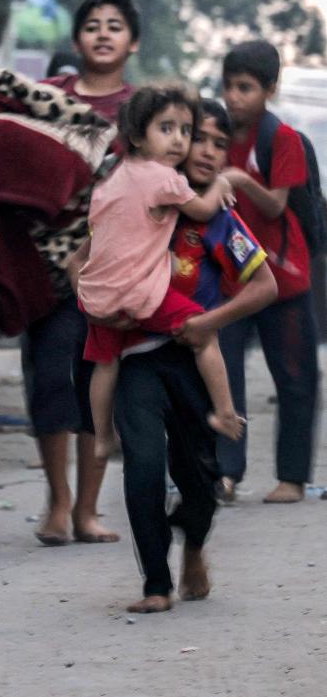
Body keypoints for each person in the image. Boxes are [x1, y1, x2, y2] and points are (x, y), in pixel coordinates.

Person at [101, 99, 277, 612]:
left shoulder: (219, 219)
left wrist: (207, 323)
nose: (205, 150)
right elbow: (83, 260)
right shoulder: (140, 197)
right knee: (144, 464)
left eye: (220, 143)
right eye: (197, 137)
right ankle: (156, 584)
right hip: (138, 357)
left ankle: (194, 544)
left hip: (195, 360)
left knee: (200, 481)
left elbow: (263, 287)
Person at [20, 0, 141, 547]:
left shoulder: (143, 110)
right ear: (75, 40)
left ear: (132, 42)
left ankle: (89, 510)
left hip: (114, 272)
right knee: (48, 381)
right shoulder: (45, 98)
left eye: (114, 26)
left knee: (99, 388)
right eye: (92, 25)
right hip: (45, 268)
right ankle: (58, 503)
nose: (102, 34)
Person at [78, 85, 243, 458]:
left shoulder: (112, 180)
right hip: (139, 296)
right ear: (137, 135)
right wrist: (221, 182)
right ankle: (224, 412)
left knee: (105, 365)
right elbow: (202, 210)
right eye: (166, 129)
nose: (179, 141)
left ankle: (102, 438)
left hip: (98, 296)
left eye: (185, 131)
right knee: (204, 334)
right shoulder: (164, 178)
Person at [216, 41, 321, 504]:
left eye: (246, 88)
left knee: (296, 378)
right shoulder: (213, 137)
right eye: (229, 86)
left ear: (270, 90)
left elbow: (278, 202)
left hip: (283, 279)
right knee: (222, 379)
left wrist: (239, 180)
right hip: (229, 281)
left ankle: (292, 479)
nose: (235, 97)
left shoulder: (282, 139)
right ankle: (226, 472)